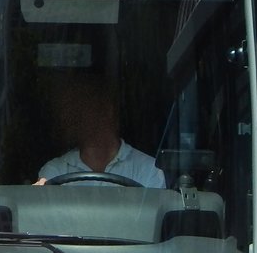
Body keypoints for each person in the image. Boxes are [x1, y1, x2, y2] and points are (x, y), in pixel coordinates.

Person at [36, 79, 165, 187]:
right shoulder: (55, 171)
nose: (71, 117)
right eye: (70, 110)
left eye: (80, 107)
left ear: (107, 110)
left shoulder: (149, 170)